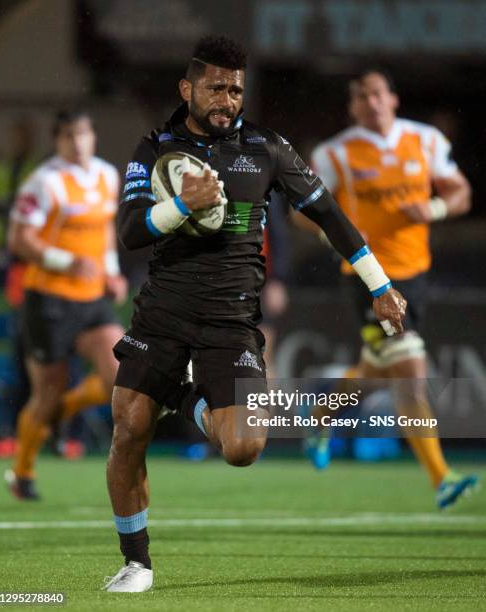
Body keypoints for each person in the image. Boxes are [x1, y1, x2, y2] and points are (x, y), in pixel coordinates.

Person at [102, 35, 406, 592]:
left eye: (236, 89)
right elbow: (127, 233)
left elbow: (331, 216)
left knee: (243, 447)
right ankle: (137, 563)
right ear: (187, 89)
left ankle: (177, 394)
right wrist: (181, 207)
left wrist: (379, 284)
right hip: (162, 314)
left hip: (231, 320)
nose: (228, 98)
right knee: (129, 429)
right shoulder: (154, 147)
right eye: (216, 87)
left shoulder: (266, 148)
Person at [308, 68, 478, 508]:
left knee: (374, 372)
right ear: (352, 107)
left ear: (393, 99)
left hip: (415, 275)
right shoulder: (335, 152)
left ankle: (322, 415)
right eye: (361, 96)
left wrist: (436, 206)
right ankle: (442, 478)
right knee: (409, 370)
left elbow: (462, 194)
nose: (371, 102)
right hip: (366, 277)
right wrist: (336, 236)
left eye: (377, 93)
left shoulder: (425, 141)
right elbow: (302, 212)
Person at [5, 109, 128, 499]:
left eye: (84, 134)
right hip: (49, 300)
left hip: (91, 297)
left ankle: (67, 407)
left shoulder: (108, 175)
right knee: (46, 395)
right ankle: (23, 472)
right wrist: (65, 260)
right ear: (58, 141)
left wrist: (110, 270)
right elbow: (20, 240)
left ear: (93, 136)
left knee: (122, 373)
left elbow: (106, 227)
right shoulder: (44, 182)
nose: (78, 143)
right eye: (69, 136)